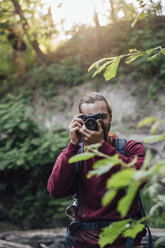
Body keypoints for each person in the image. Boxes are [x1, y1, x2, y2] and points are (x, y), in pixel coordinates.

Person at [47, 92, 145, 248]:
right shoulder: (76, 154)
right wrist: (72, 145)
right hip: (84, 243)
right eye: (90, 119)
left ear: (111, 116)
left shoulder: (130, 148)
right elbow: (55, 190)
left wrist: (102, 147)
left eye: (102, 117)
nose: (98, 123)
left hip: (127, 242)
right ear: (79, 121)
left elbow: (138, 179)